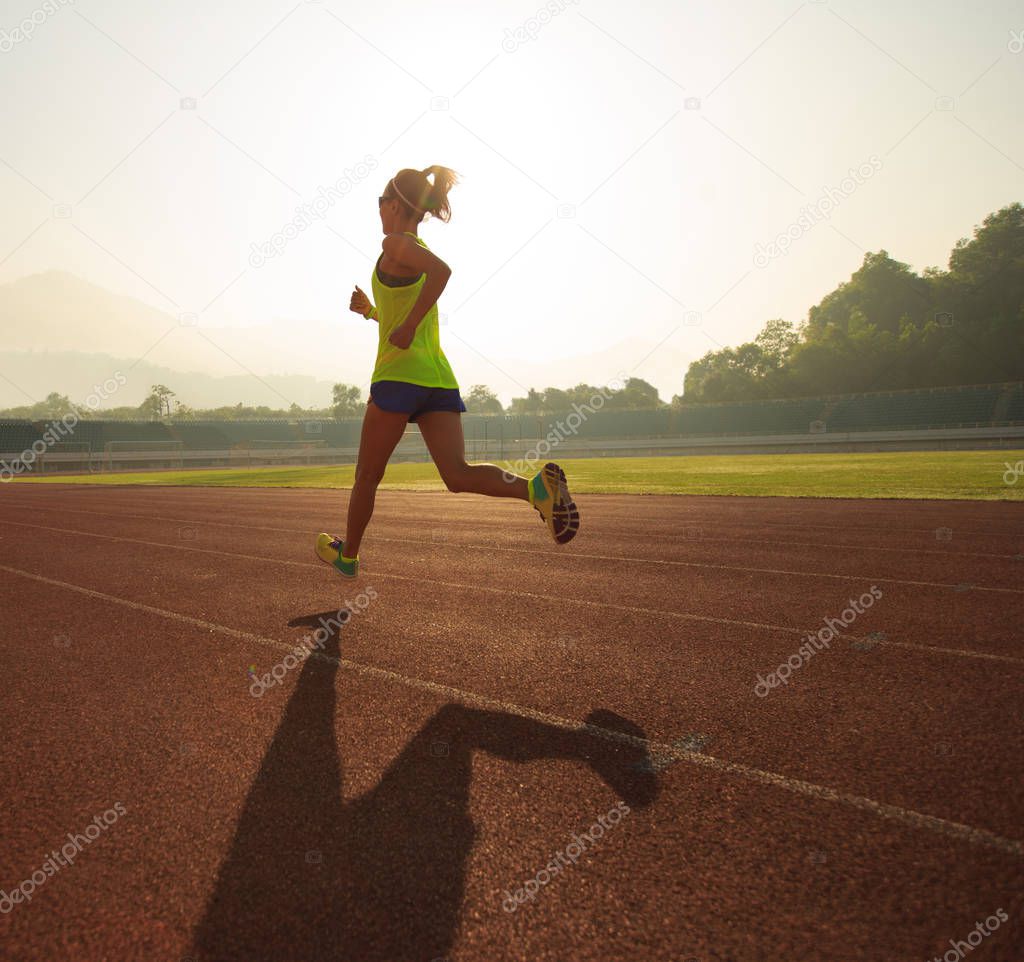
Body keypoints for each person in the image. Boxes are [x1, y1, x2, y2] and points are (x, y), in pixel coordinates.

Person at [315, 166, 579, 579]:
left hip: (398, 379)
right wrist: (373, 313)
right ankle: (534, 490)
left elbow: (442, 273)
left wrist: (404, 326)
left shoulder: (395, 242)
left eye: (379, 203)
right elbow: (404, 313)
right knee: (457, 474)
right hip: (435, 379)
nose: (378, 211)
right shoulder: (407, 247)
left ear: (393, 205)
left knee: (367, 475)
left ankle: (348, 555)